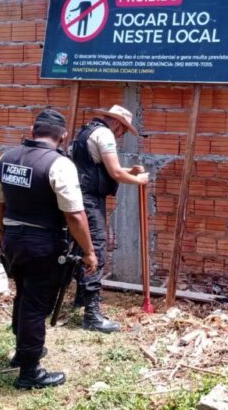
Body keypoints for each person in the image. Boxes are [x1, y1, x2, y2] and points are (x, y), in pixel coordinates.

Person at [0, 109, 98, 390]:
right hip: (42, 244)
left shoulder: (7, 158)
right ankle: (30, 372)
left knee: (24, 296)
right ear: (62, 136)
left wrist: (1, 232)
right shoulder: (59, 165)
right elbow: (75, 215)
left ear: (33, 129)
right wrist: (89, 251)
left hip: (13, 240)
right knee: (36, 306)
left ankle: (22, 351)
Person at [71, 104, 149, 333]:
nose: (122, 134)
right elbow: (114, 173)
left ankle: (80, 299)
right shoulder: (105, 134)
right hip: (90, 199)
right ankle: (92, 316)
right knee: (95, 249)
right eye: (123, 129)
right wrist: (140, 180)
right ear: (116, 122)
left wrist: (130, 172)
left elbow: (101, 167)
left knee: (79, 247)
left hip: (78, 195)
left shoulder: (87, 131)